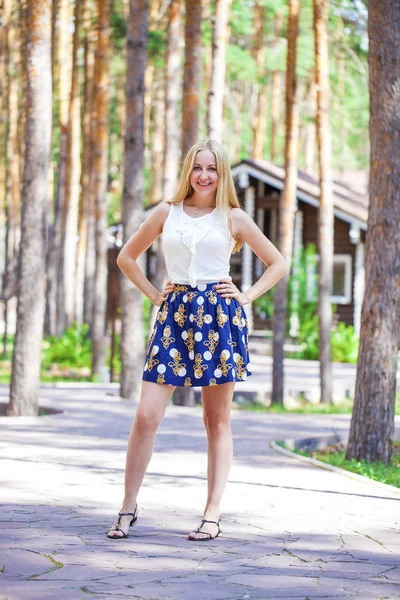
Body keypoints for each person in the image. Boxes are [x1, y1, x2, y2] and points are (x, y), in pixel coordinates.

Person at [107, 138, 288, 541]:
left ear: (222, 174)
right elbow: (126, 257)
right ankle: (127, 506)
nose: (204, 175)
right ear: (187, 171)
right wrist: (155, 295)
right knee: (146, 415)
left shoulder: (233, 217)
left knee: (216, 419)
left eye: (212, 168)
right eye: (197, 167)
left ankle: (212, 512)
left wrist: (245, 295)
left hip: (219, 318)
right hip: (174, 316)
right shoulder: (165, 212)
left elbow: (277, 262)